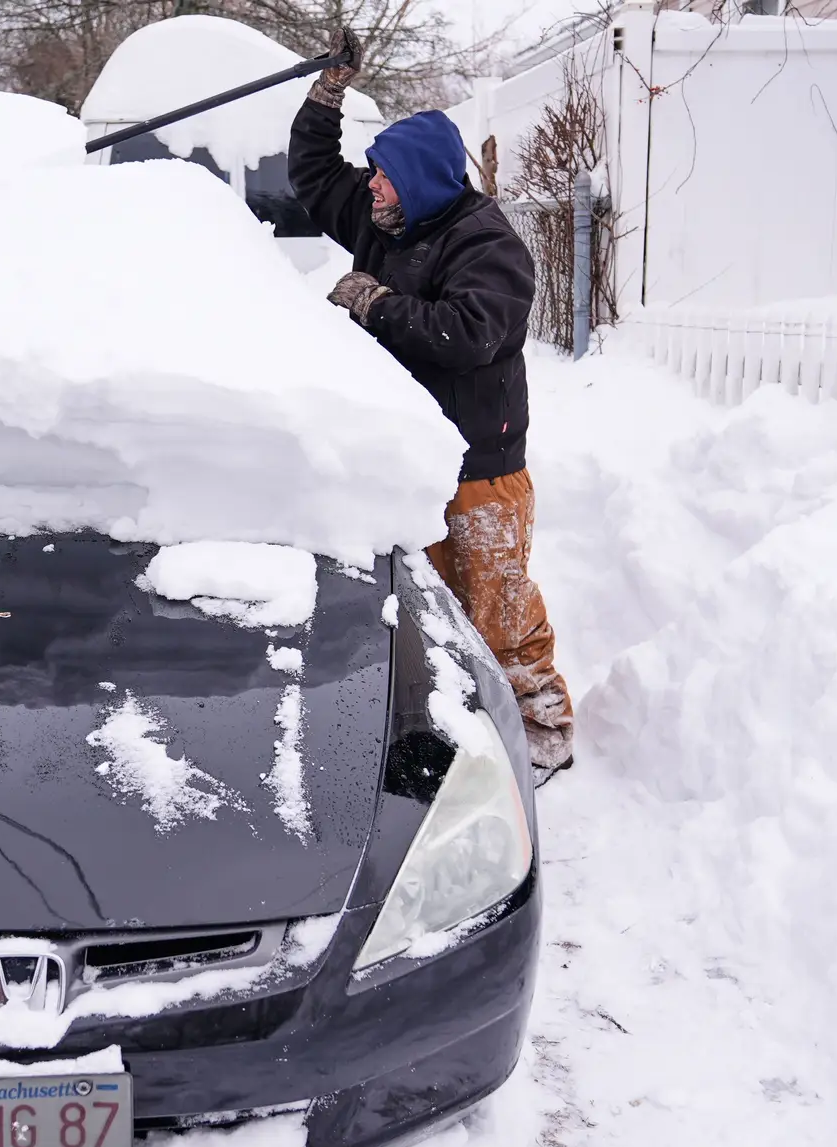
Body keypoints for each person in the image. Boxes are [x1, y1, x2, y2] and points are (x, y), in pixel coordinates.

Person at [290, 30, 574, 783]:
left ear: (416, 181)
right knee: (425, 614)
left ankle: (544, 727)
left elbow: (468, 334)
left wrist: (376, 302)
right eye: (373, 176)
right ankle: (452, 726)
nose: (370, 187)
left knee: (496, 606)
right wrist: (329, 92)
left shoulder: (488, 244)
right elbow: (315, 174)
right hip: (408, 456)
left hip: (479, 466)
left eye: (382, 177)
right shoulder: (386, 220)